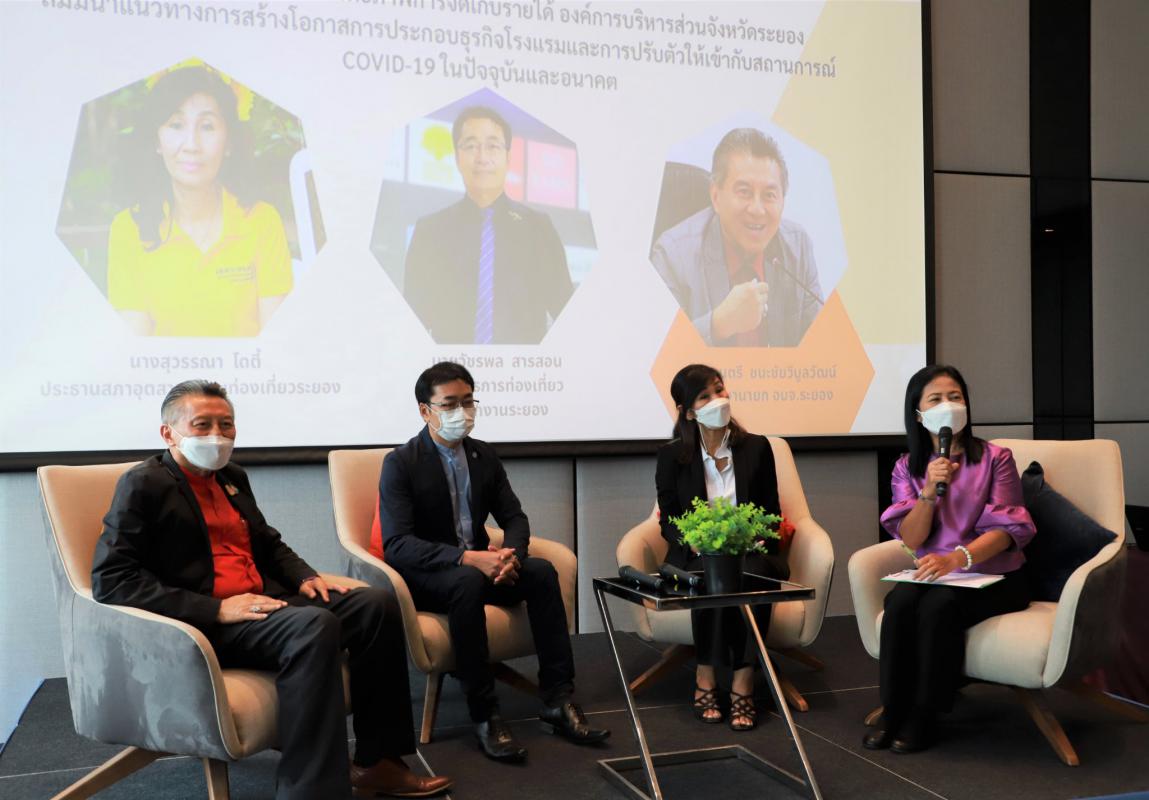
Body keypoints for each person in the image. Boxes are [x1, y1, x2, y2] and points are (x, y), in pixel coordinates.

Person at [91, 380, 451, 799]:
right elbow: (112, 579)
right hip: (206, 623)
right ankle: (309, 792)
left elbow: (267, 542)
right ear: (168, 433)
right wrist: (215, 609)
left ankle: (379, 762)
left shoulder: (231, 476)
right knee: (313, 625)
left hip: (263, 604)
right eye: (202, 425)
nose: (217, 435)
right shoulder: (144, 484)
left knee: (375, 604)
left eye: (226, 424)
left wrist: (305, 577)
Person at [375, 361, 608, 762]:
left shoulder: (483, 455)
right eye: (450, 404)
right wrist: (467, 558)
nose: (462, 412)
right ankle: (485, 713)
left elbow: (514, 517)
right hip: (432, 576)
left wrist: (510, 555)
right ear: (425, 411)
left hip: (484, 567)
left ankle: (558, 698)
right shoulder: (401, 463)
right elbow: (398, 545)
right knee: (465, 581)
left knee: (541, 572)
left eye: (468, 401)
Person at [866, 364, 1036, 754]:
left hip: (996, 576)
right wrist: (928, 492)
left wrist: (958, 558)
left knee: (938, 607)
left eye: (955, 397)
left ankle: (926, 714)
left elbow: (1008, 530)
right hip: (938, 574)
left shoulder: (996, 458)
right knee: (899, 602)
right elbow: (911, 538)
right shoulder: (907, 467)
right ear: (918, 414)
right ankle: (893, 709)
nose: (948, 405)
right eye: (936, 399)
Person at [107, 64, 292, 337]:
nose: (192, 145)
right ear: (157, 141)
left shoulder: (262, 221)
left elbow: (276, 344)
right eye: (176, 125)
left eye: (207, 126)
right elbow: (135, 349)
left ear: (229, 143)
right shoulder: (128, 229)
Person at [654, 364, 791, 731]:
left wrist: (751, 538)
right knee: (711, 575)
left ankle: (743, 681)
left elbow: (771, 513)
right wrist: (691, 540)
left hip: (751, 552)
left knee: (752, 575)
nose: (719, 399)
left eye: (720, 389)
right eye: (705, 396)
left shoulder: (757, 448)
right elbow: (669, 519)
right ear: (688, 412)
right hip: (697, 555)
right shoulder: (671, 456)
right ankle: (705, 674)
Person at [403, 106, 574, 344]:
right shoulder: (430, 232)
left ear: (508, 158)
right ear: (457, 158)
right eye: (471, 146)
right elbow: (411, 326)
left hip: (522, 368)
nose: (482, 158)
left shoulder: (539, 229)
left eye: (493, 146)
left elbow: (569, 316)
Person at [651, 128, 823, 347]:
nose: (757, 209)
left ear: (782, 201)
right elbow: (656, 353)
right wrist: (718, 324)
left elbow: (821, 344)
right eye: (744, 192)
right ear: (716, 197)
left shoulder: (798, 247)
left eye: (769, 195)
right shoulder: (672, 255)